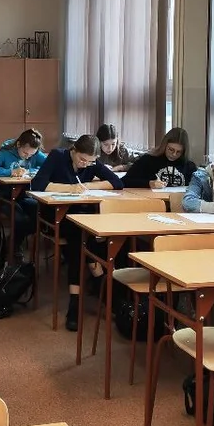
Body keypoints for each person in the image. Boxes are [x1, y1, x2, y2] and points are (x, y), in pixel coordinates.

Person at [31, 134, 124, 331]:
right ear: (73, 150)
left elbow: (116, 182)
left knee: (80, 239)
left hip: (79, 218)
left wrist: (88, 185)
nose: (85, 164)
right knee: (79, 234)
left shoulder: (91, 163)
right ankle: (100, 282)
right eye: (82, 159)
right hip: (54, 216)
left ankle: (77, 301)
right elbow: (38, 184)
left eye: (90, 162)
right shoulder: (58, 156)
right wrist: (70, 188)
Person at [0, 129, 47, 253]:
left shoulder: (35, 154)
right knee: (20, 219)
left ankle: (12, 243)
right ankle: (13, 249)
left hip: (24, 196)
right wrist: (10, 172)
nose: (27, 157)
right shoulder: (6, 153)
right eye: (25, 153)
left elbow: (50, 165)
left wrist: (32, 171)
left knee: (43, 214)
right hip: (3, 197)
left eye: (31, 155)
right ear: (19, 144)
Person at [123, 127, 198, 188]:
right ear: (164, 145)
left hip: (178, 201)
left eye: (179, 152)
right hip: (152, 200)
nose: (174, 154)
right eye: (171, 149)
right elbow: (125, 181)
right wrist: (149, 183)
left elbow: (198, 188)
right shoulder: (147, 160)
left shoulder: (189, 167)